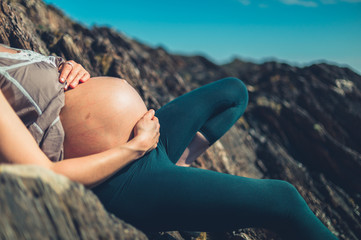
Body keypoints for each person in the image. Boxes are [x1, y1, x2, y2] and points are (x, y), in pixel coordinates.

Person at [0, 43, 339, 240]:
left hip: (148, 142)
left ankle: (177, 174)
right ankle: (167, 192)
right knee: (285, 199)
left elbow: (34, 82)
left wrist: (64, 65)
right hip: (122, 178)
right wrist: (134, 147)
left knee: (233, 92)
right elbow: (41, 174)